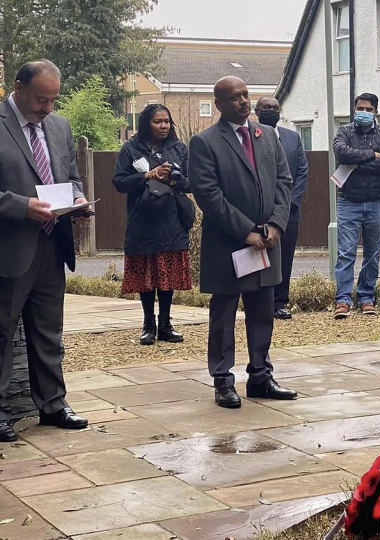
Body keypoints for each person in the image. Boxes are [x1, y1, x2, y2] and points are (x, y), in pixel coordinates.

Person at [190, 76, 297, 408]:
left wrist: (276, 224)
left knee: (263, 310)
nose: (244, 101)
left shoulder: (265, 136)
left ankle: (261, 376)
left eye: (246, 95)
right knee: (223, 315)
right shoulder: (205, 142)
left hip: (267, 241)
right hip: (231, 244)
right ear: (219, 105)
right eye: (235, 97)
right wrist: (245, 230)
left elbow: (284, 180)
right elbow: (209, 195)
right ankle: (223, 380)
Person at [0, 60, 90, 441]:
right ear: (17, 88)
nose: (47, 108)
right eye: (41, 99)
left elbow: (69, 176)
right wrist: (21, 206)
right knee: (2, 333)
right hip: (10, 249)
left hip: (53, 244)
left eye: (53, 100)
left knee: (49, 332)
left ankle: (53, 404)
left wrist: (79, 198)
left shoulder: (60, 126)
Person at [113, 104, 193, 345]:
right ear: (147, 123)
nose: (164, 126)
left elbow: (192, 183)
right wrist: (148, 175)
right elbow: (119, 182)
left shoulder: (179, 148)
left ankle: (166, 324)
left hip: (171, 220)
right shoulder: (131, 148)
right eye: (158, 121)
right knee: (146, 273)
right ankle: (148, 324)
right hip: (143, 220)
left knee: (167, 273)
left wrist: (175, 180)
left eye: (167, 121)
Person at [332, 93, 380, 319]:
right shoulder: (344, 132)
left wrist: (357, 164)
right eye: (360, 108)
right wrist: (372, 155)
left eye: (369, 109)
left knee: (373, 253)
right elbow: (341, 154)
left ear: (376, 112)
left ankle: (366, 297)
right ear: (354, 110)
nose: (364, 112)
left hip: (377, 201)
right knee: (345, 253)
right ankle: (342, 300)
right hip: (348, 201)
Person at [254, 97, 309, 320]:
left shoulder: (292, 137)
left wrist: (287, 205)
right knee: (256, 257)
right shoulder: (249, 136)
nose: (271, 111)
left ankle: (279, 302)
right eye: (266, 108)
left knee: (284, 258)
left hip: (289, 212)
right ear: (256, 111)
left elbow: (302, 172)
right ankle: (257, 303)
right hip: (259, 211)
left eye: (275, 108)